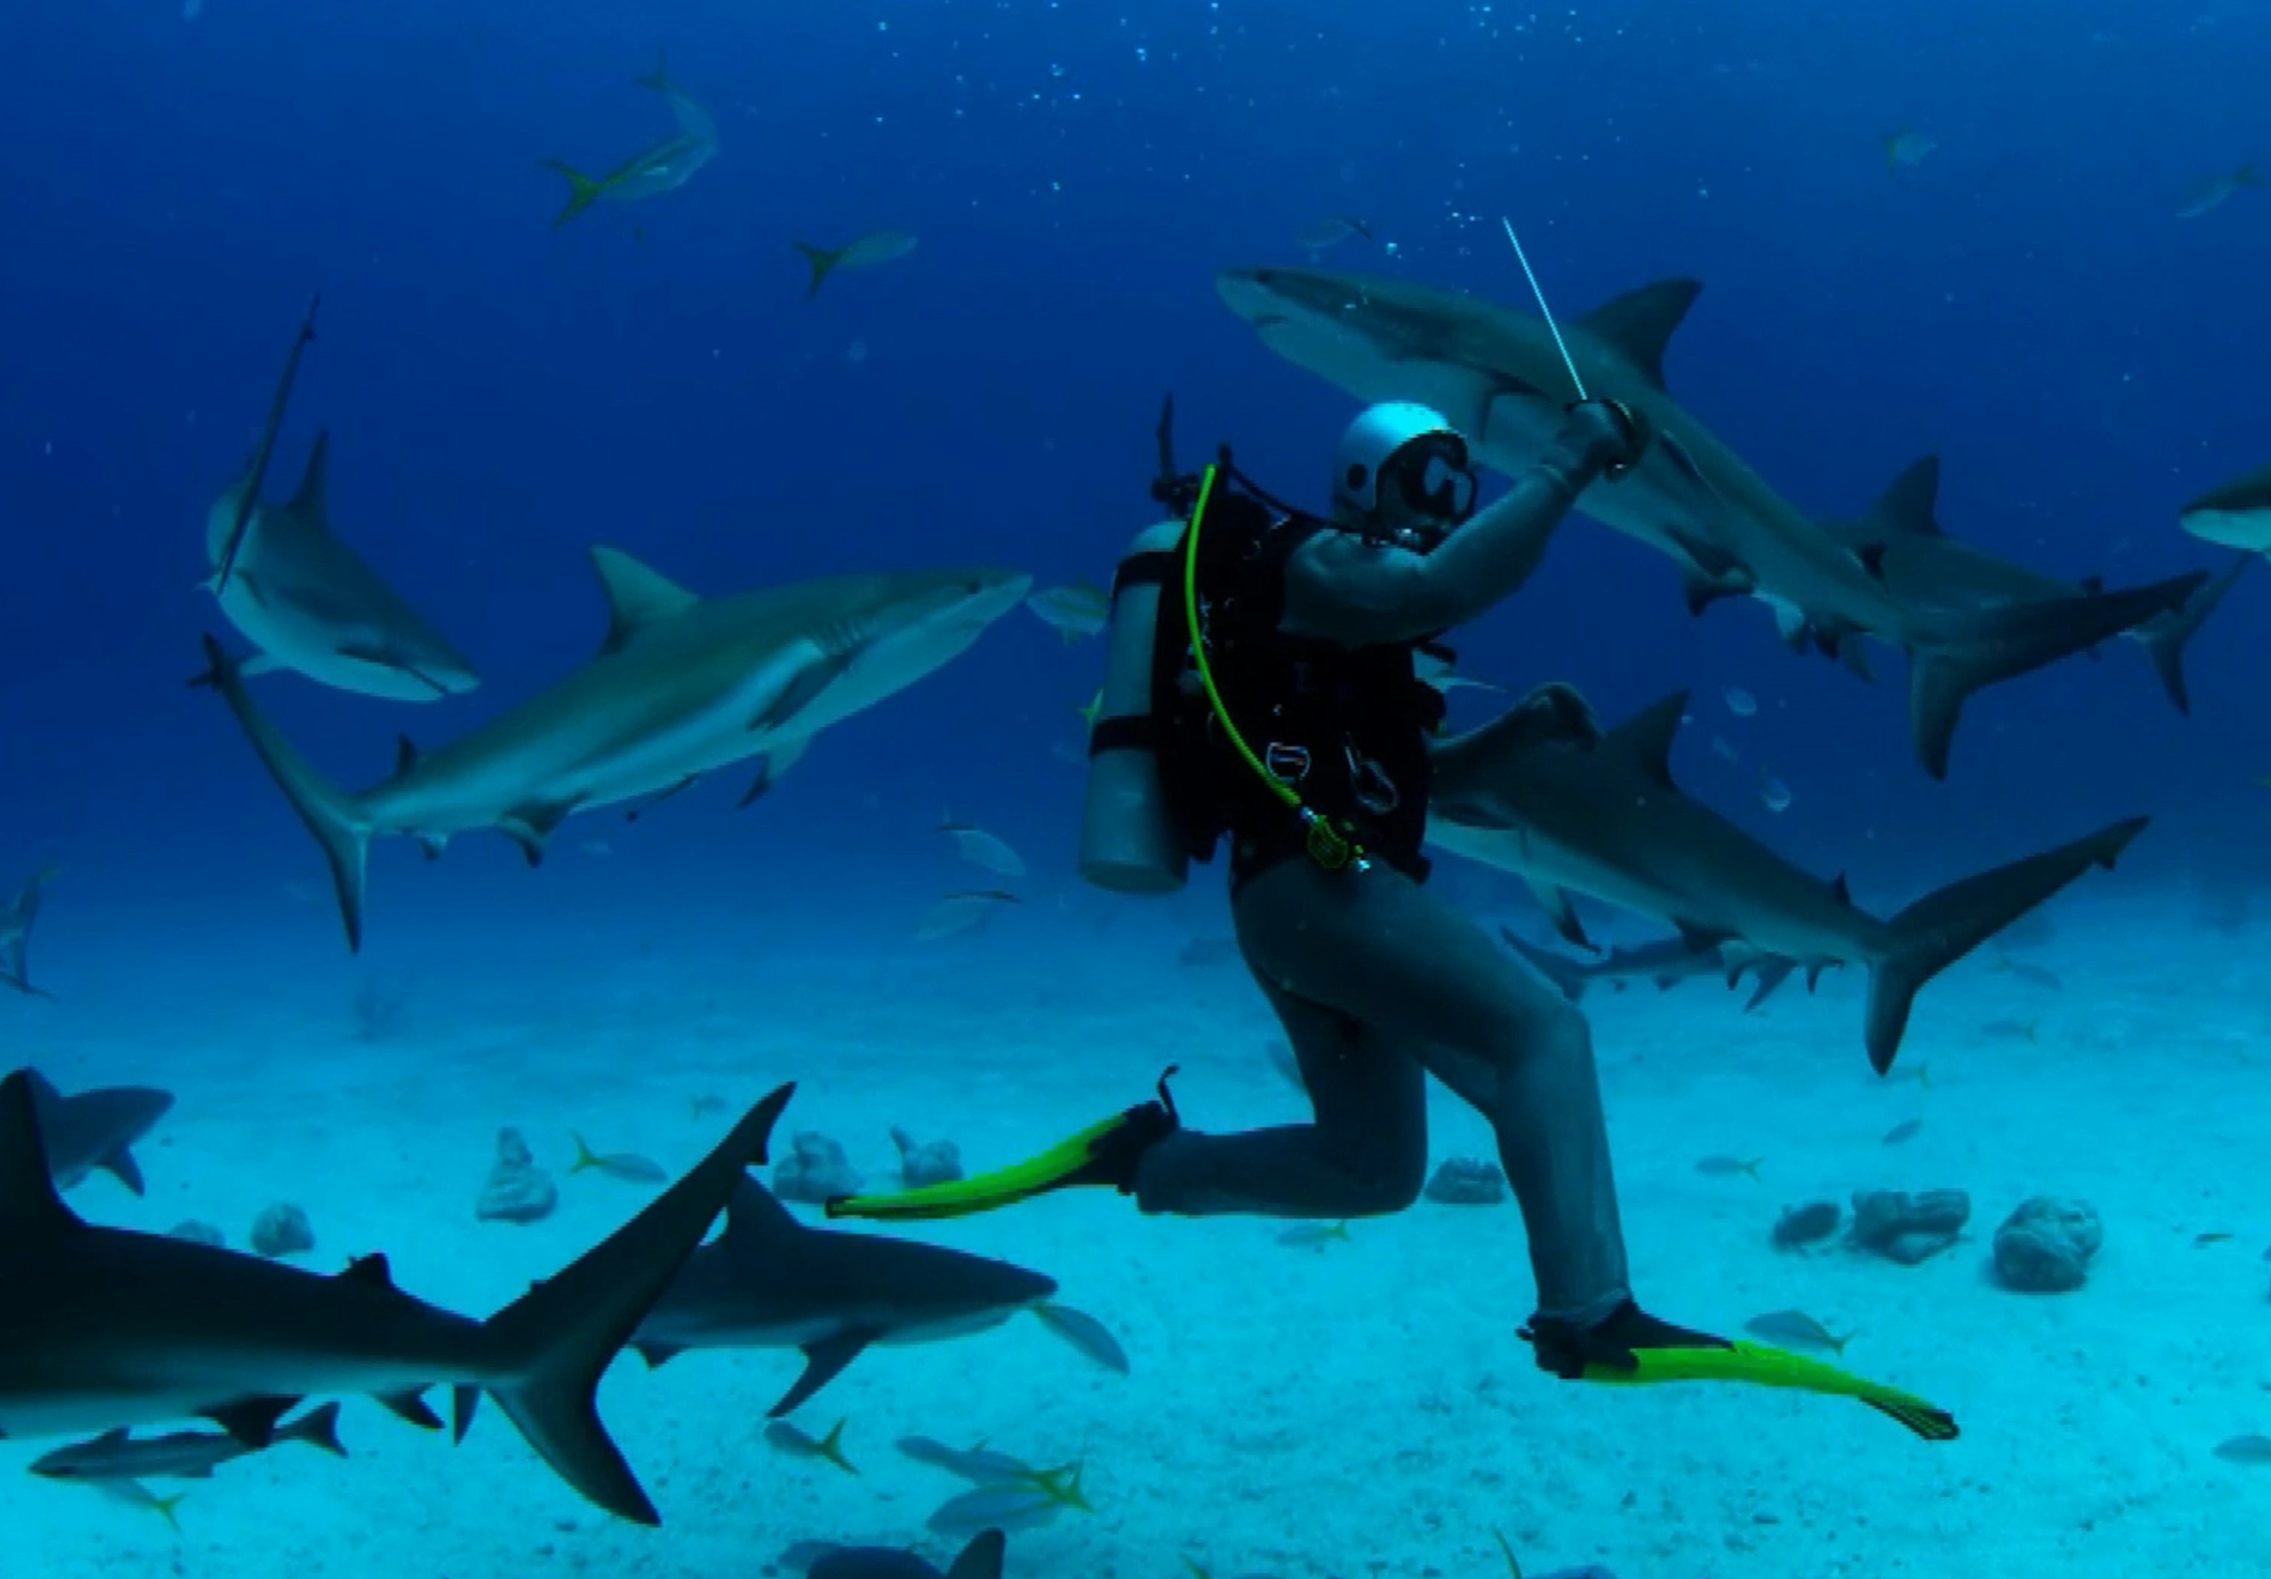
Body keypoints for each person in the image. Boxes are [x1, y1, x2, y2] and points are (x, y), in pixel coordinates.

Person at [830, 397, 1956, 1431]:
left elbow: (1409, 786)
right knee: (1542, 1030)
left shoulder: (1352, 628)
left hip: (1317, 895)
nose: (1446, 507)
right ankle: (1591, 1311)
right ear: (1366, 481)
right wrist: (1566, 462)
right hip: (1320, 890)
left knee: (1373, 1169)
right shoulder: (1309, 564)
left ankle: (1155, 1162)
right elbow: (1438, 588)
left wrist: (1510, 738)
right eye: (1429, 482)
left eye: (1460, 487)